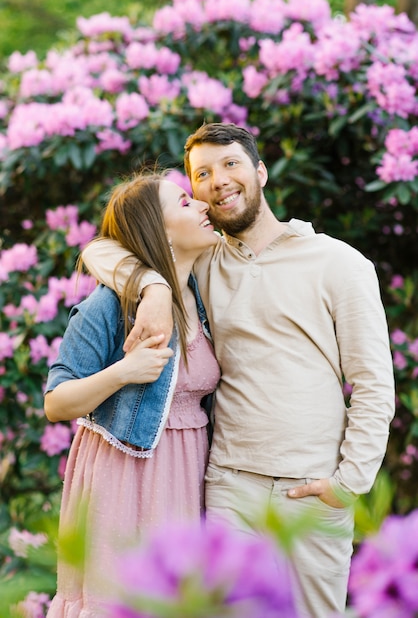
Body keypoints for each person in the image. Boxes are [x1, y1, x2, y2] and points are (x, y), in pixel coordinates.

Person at [81, 123, 395, 618]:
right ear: (197, 194)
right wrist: (156, 288)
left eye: (231, 164)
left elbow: (375, 382)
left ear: (261, 172)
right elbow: (102, 249)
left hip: (312, 488)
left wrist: (348, 483)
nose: (219, 180)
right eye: (201, 174)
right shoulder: (203, 263)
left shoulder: (338, 263)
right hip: (229, 485)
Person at [44, 172, 221, 617]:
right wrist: (123, 372)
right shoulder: (109, 305)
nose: (203, 205)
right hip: (123, 477)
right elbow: (56, 401)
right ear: (158, 231)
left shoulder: (202, 294)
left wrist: (157, 285)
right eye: (185, 202)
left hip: (188, 471)